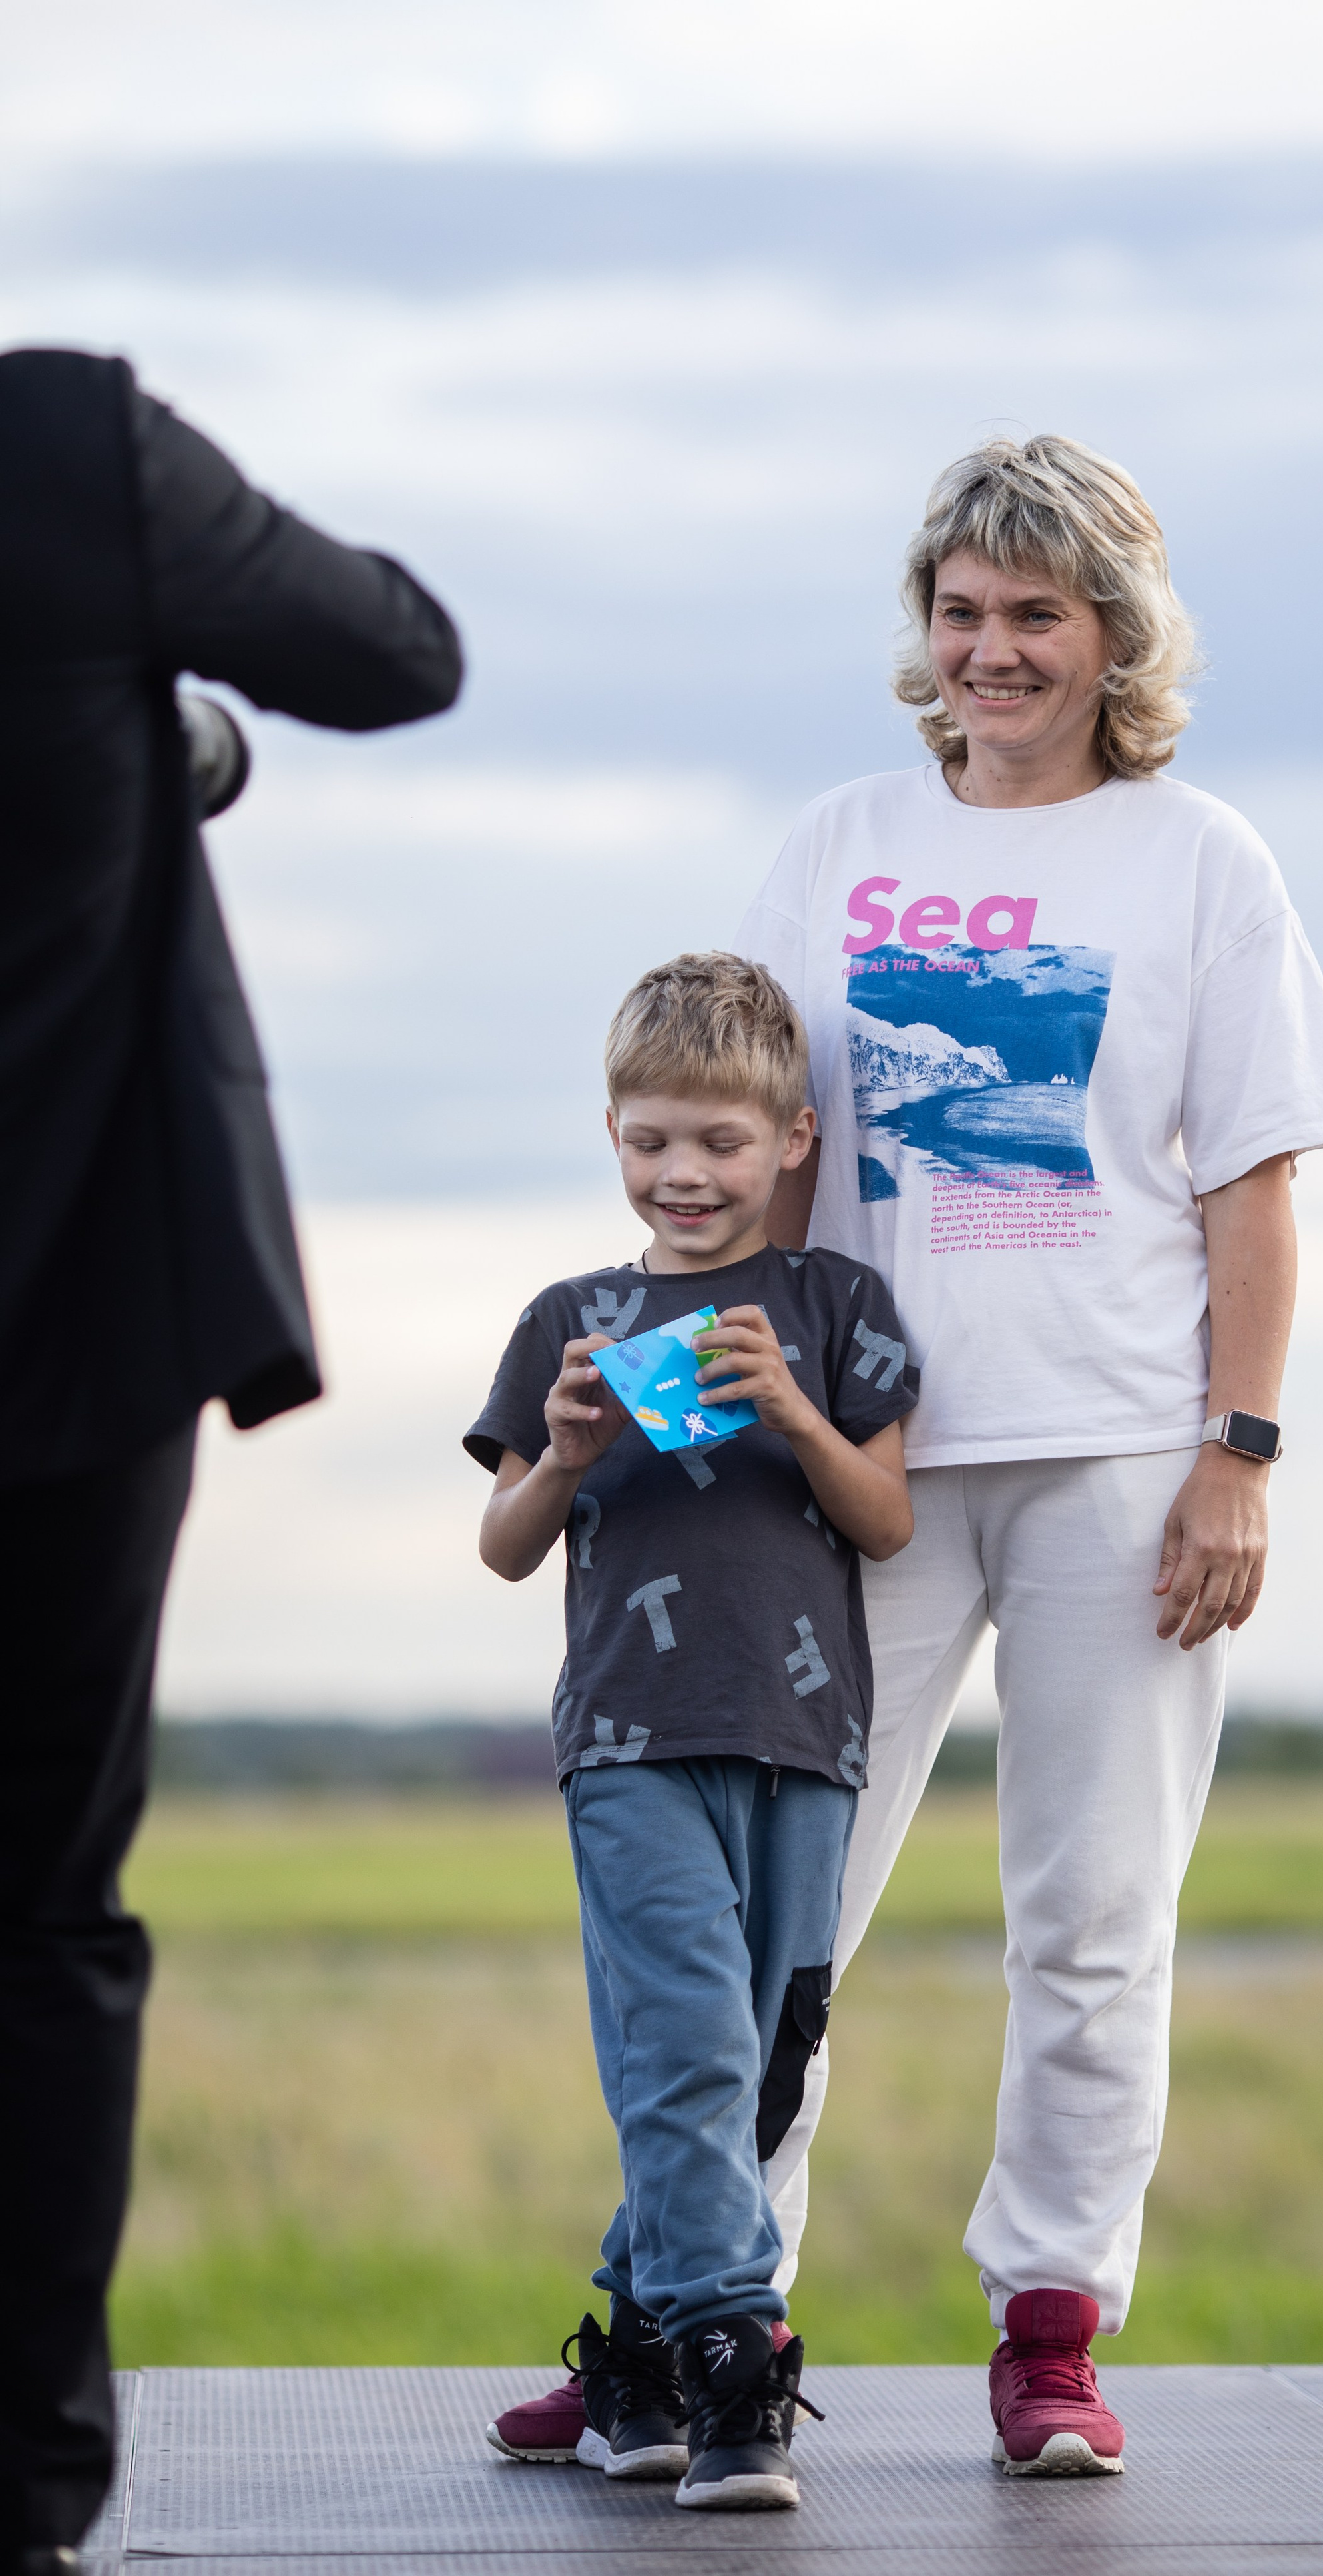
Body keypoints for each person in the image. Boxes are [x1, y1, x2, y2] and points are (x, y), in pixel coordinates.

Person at [736, 434, 1323, 2474]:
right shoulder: (833, 841)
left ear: (1113, 637)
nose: (992, 650)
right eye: (963, 611)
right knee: (776, 1913)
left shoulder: (1203, 863)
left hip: (1119, 1454)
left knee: (1094, 1915)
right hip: (864, 1454)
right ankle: (701, 2309)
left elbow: (1255, 1187)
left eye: (1037, 615)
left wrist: (1239, 1453)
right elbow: (751, 1154)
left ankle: (1053, 2323)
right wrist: (692, 1412)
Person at [0, 346, 462, 2576]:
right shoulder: (71, 455)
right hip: (66, 1339)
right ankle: (13, 2481)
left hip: (78, 1348)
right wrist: (169, 725)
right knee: (41, 1914)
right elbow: (398, 650)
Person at [466, 954, 916, 2512]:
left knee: (763, 2073)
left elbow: (887, 1517)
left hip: (804, 1736)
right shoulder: (566, 1322)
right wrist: (566, 1454)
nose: (684, 1171)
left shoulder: (839, 1307)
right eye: (653, 1138)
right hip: (629, 1736)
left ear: (793, 1137)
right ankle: (735, 2365)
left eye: (721, 1142)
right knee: (682, 2049)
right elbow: (504, 1540)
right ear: (611, 1134)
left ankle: (631, 2365)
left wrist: (792, 1412)